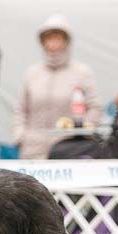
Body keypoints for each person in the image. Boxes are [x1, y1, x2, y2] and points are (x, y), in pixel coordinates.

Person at [14, 15, 101, 160]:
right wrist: (20, 135)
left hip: (69, 150)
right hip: (32, 150)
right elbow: (21, 109)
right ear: (42, 42)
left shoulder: (81, 72)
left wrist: (82, 133)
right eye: (48, 38)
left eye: (58, 38)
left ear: (66, 41)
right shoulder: (32, 73)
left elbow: (95, 107)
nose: (53, 43)